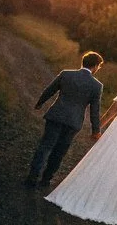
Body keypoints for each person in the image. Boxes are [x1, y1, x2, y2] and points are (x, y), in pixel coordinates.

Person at [45, 72, 117, 225]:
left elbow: (109, 114)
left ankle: (84, 194)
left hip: (115, 134)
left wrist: (97, 130)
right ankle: (108, 203)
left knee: (101, 161)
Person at [26, 50, 104, 188]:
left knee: (45, 146)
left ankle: (32, 177)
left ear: (83, 62)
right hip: (73, 122)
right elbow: (94, 110)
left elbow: (50, 90)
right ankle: (46, 179)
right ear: (95, 66)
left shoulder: (66, 74)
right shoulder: (96, 85)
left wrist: (40, 102)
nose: (98, 68)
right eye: (99, 66)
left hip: (56, 115)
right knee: (60, 151)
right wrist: (96, 130)